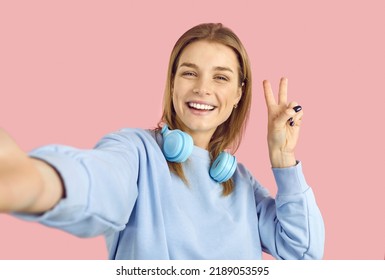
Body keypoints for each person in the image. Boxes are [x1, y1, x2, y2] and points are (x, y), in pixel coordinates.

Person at [0, 23, 324, 259]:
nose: (202, 88)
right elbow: (99, 181)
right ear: (172, 83)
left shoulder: (240, 183)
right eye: (189, 73)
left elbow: (303, 250)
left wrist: (283, 158)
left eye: (221, 77)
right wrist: (34, 180)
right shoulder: (136, 151)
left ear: (239, 93)